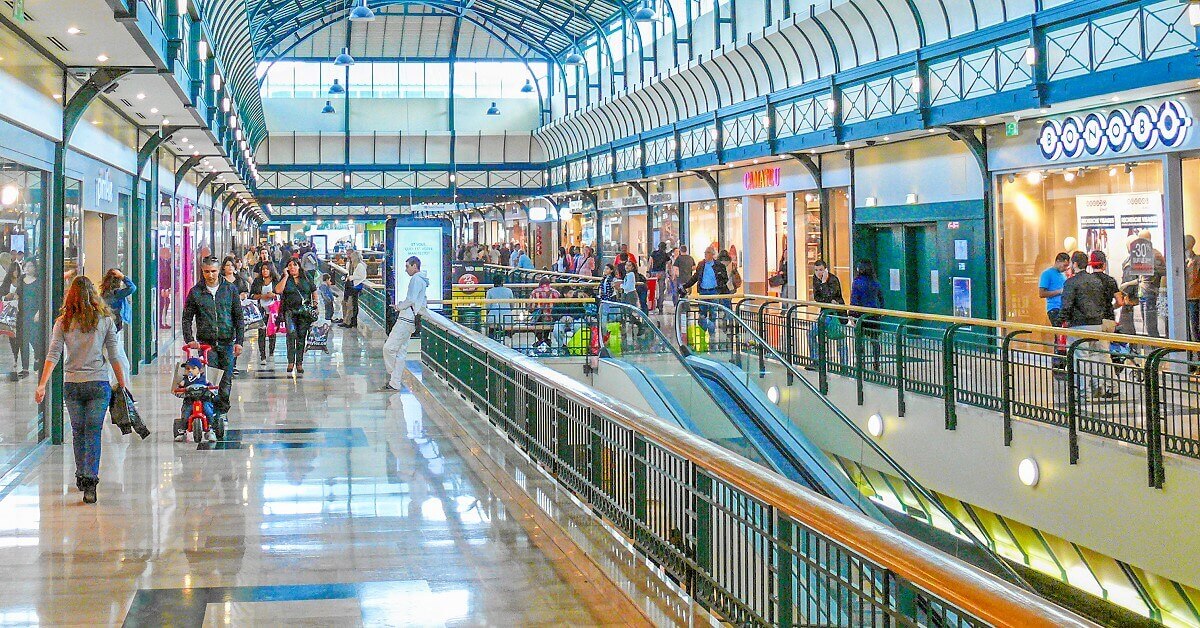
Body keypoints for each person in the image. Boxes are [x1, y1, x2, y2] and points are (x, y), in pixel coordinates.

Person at [34, 276, 127, 504]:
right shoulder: (105, 320)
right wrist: (122, 382)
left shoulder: (63, 322)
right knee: (93, 432)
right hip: (98, 384)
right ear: (94, 295)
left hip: (72, 384)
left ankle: (81, 475)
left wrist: (42, 384)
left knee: (78, 432)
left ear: (71, 296)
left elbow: (53, 353)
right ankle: (90, 481)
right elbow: (114, 354)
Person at [181, 256, 244, 435]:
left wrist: (239, 341)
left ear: (220, 270)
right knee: (209, 383)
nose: (210, 275)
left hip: (227, 343)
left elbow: (238, 317)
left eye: (214, 271)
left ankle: (222, 412)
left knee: (225, 381)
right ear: (202, 272)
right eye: (207, 272)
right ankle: (212, 413)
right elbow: (187, 318)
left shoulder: (230, 290)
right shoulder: (196, 292)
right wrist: (189, 339)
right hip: (206, 345)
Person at [1060, 251, 1116, 400]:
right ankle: (1099, 387)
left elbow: (1067, 305)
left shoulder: (1071, 282)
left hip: (1079, 325)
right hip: (1097, 324)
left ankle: (1085, 393)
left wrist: (1060, 321)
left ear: (1075, 264)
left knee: (1080, 357)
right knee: (1096, 355)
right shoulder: (1096, 281)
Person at [381, 256, 429, 392]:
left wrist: (399, 307)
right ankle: (394, 382)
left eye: (407, 266)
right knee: (401, 352)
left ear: (415, 266)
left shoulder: (415, 279)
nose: (406, 269)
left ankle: (392, 373)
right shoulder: (422, 280)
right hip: (411, 320)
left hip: (406, 319)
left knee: (388, 348)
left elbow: (411, 299)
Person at [275, 258, 317, 375]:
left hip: (304, 312)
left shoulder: (306, 277)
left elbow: (314, 290)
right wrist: (285, 276)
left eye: (294, 265)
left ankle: (299, 362)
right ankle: (290, 361)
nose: (292, 267)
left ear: (299, 266)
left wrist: (316, 304)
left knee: (301, 336)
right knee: (291, 334)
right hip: (290, 311)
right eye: (290, 265)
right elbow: (278, 290)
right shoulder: (286, 279)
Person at [808, 260, 847, 367]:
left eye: (821, 270)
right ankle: (815, 360)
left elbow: (830, 295)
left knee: (840, 338)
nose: (818, 273)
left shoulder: (833, 280)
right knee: (811, 333)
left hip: (837, 314)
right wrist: (827, 299)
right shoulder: (815, 279)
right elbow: (818, 297)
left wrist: (824, 283)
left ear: (825, 270)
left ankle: (845, 365)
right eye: (816, 270)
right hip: (825, 313)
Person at [99, 268, 136, 380]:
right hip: (114, 330)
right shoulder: (116, 294)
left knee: (114, 360)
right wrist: (123, 277)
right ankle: (121, 386)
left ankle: (116, 384)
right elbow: (132, 288)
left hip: (109, 329)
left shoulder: (104, 294)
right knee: (121, 362)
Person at [680, 248, 727, 333]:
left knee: (713, 313)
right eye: (705, 253)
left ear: (712, 254)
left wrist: (720, 288)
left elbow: (724, 278)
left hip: (714, 292)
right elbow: (695, 277)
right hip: (703, 292)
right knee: (702, 313)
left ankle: (711, 333)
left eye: (708, 253)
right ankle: (702, 332)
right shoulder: (701, 264)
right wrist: (686, 286)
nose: (706, 254)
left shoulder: (719, 266)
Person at [850, 259, 885, 370]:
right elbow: (881, 298)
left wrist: (851, 314)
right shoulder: (875, 282)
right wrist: (882, 311)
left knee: (859, 340)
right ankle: (876, 363)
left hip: (861, 316)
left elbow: (854, 299)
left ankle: (861, 362)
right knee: (875, 340)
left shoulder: (857, 282)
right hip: (874, 315)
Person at [173, 357, 215, 442]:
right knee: (186, 412)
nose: (190, 371)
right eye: (187, 369)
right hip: (190, 400)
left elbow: (211, 385)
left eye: (193, 368)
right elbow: (180, 386)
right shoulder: (185, 380)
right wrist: (179, 387)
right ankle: (183, 430)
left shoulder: (203, 379)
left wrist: (212, 389)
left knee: (208, 410)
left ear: (199, 370)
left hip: (203, 399)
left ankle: (210, 429)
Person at [1040, 252, 1070, 368]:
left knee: (1062, 337)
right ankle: (1058, 364)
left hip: (1063, 308)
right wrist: (1059, 291)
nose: (1065, 268)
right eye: (1064, 265)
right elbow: (1042, 293)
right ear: (1057, 261)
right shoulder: (1047, 274)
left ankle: (1061, 363)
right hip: (1054, 308)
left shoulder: (1062, 275)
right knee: (1059, 337)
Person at [250, 264, 279, 367]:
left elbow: (281, 293)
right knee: (261, 332)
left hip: (273, 310)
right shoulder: (257, 282)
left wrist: (274, 295)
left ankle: (271, 350)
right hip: (261, 310)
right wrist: (262, 296)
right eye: (263, 269)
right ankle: (262, 355)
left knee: (272, 331)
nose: (265, 271)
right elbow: (252, 295)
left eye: (267, 269)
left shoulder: (276, 281)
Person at [530, 277, 562, 347]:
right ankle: (545, 339)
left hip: (539, 319)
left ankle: (541, 340)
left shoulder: (535, 292)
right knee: (547, 323)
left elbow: (531, 308)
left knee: (533, 322)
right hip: (553, 319)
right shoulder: (556, 292)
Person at [341, 249, 367, 328]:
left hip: (355, 287)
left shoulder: (360, 266)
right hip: (352, 286)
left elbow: (362, 276)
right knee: (348, 303)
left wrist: (351, 277)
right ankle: (347, 320)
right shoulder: (354, 265)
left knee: (351, 304)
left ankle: (350, 321)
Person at [649, 242, 669, 314]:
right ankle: (660, 306)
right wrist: (669, 273)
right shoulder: (666, 255)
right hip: (662, 272)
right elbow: (668, 265)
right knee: (661, 290)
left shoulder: (653, 253)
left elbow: (650, 262)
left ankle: (652, 305)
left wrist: (648, 271)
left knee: (653, 289)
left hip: (654, 272)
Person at [159, 247, 173, 328]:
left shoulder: (167, 263)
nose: (169, 255)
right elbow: (160, 276)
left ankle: (163, 321)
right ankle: (160, 322)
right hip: (160, 288)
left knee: (166, 302)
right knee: (161, 305)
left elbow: (169, 276)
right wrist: (161, 289)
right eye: (168, 253)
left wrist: (168, 288)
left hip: (165, 288)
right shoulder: (159, 263)